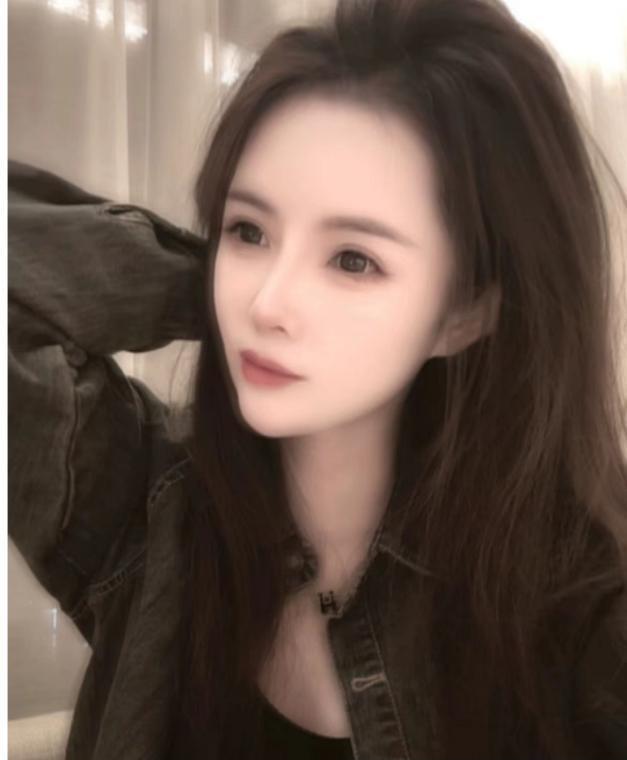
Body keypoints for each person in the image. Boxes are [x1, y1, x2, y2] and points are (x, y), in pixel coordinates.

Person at [8, 0, 627, 758]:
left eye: (353, 260)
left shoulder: (579, 608)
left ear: (465, 312)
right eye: (248, 230)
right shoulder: (150, 515)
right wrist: (205, 288)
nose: (268, 304)